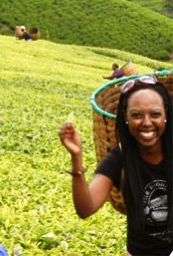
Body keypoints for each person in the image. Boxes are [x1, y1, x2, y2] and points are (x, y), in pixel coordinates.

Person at [59, 75, 173, 255]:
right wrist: (76, 158)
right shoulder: (118, 159)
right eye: (136, 115)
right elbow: (85, 209)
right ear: (125, 117)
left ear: (166, 114)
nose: (147, 123)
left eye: (155, 114)